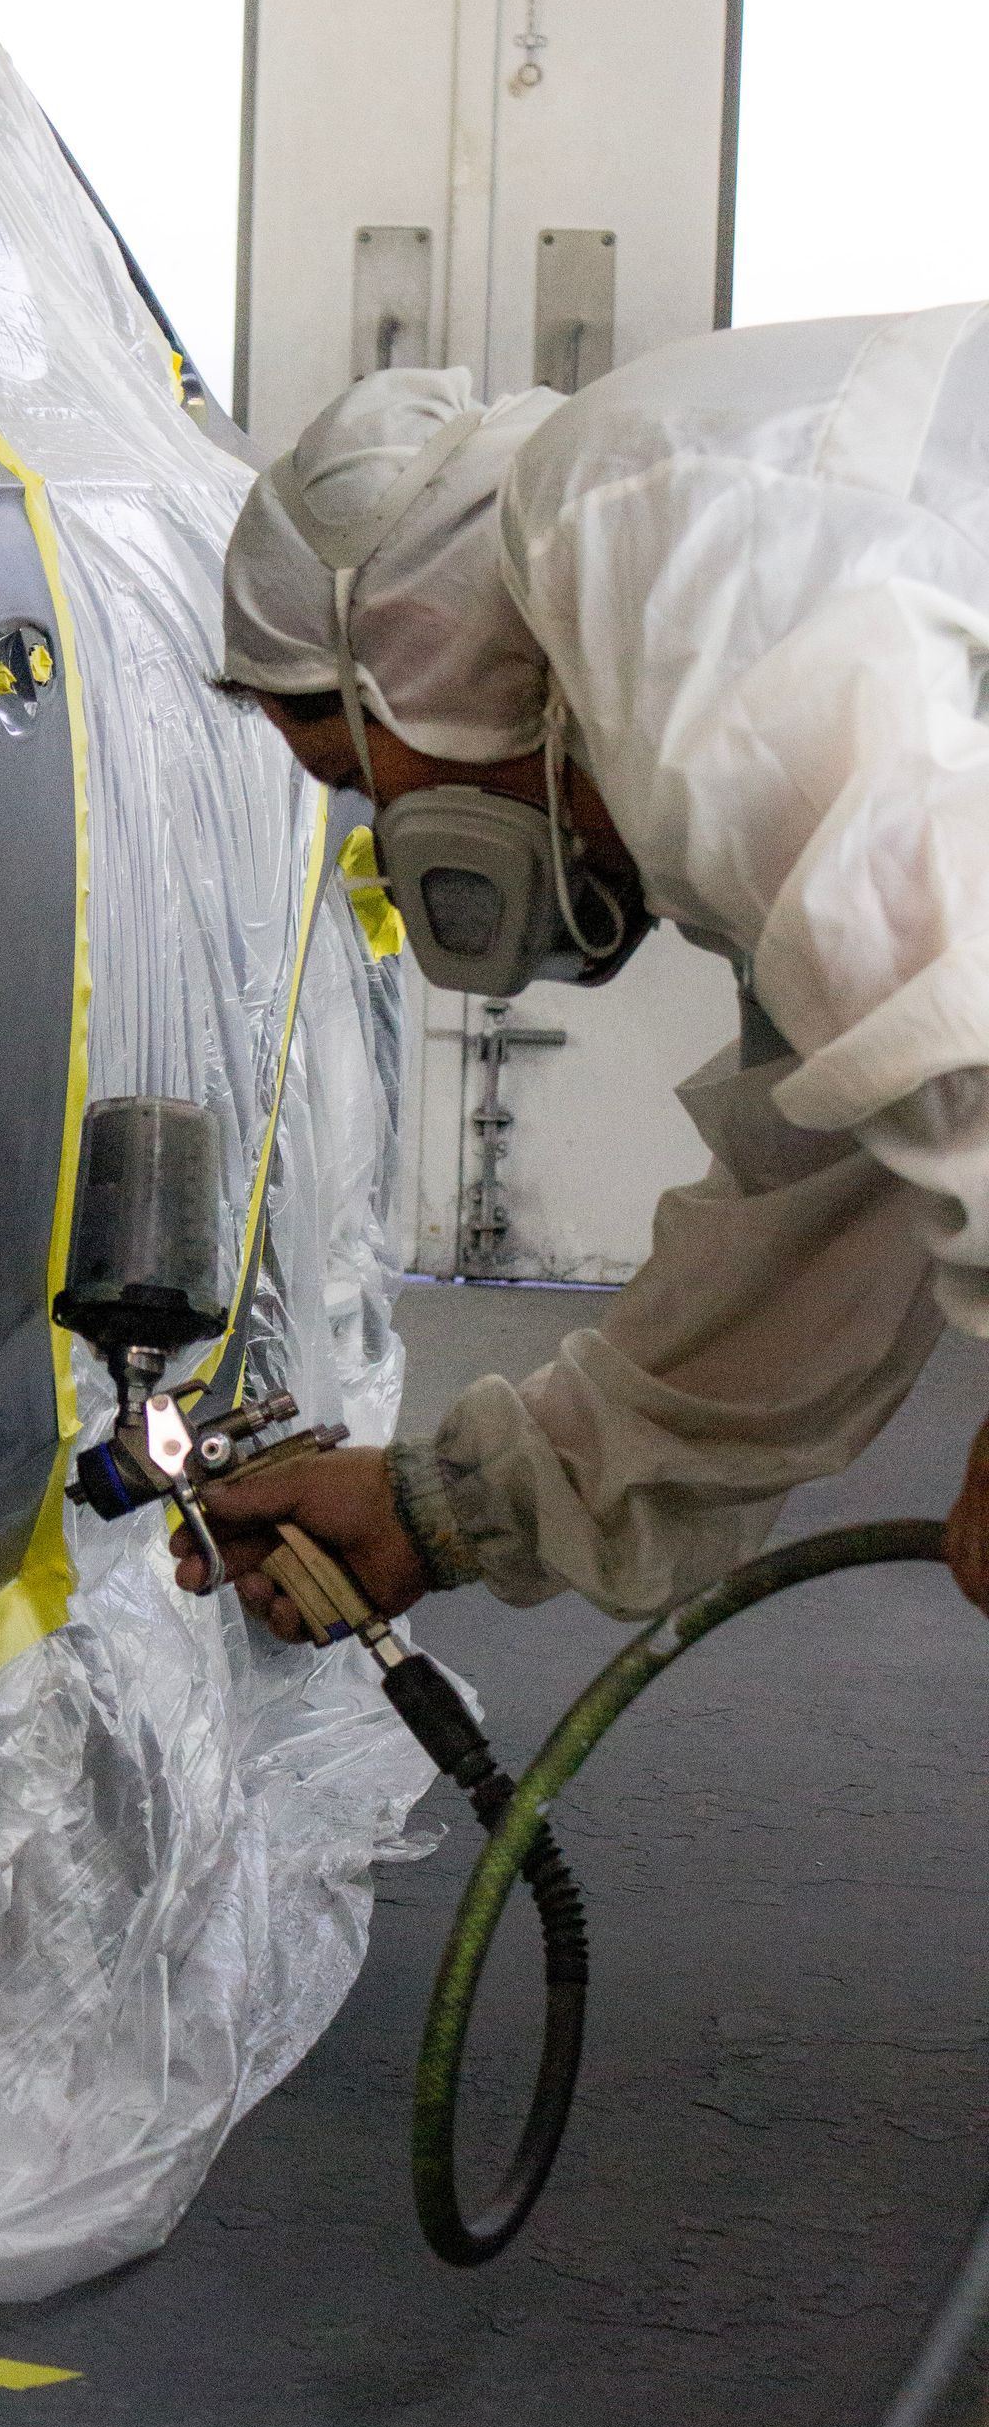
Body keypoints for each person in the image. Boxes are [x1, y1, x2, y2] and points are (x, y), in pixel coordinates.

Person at [179, 313, 989, 1635]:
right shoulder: (692, 588)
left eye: (359, 779)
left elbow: (967, 1031)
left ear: (428, 672)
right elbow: (822, 1218)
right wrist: (447, 1505)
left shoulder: (660, 554)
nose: (398, 846)